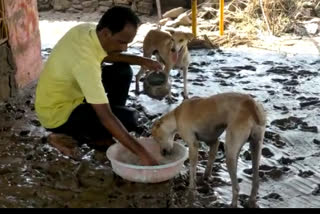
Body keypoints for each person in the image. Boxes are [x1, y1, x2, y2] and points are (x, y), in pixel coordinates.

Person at [35, 6, 162, 165]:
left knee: (123, 71)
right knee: (129, 119)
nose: (124, 48)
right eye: (122, 42)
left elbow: (106, 56)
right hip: (57, 114)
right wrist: (144, 155)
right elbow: (105, 116)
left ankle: (101, 134)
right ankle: (60, 136)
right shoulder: (85, 63)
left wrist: (142, 61)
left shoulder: (86, 30)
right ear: (106, 33)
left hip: (64, 96)